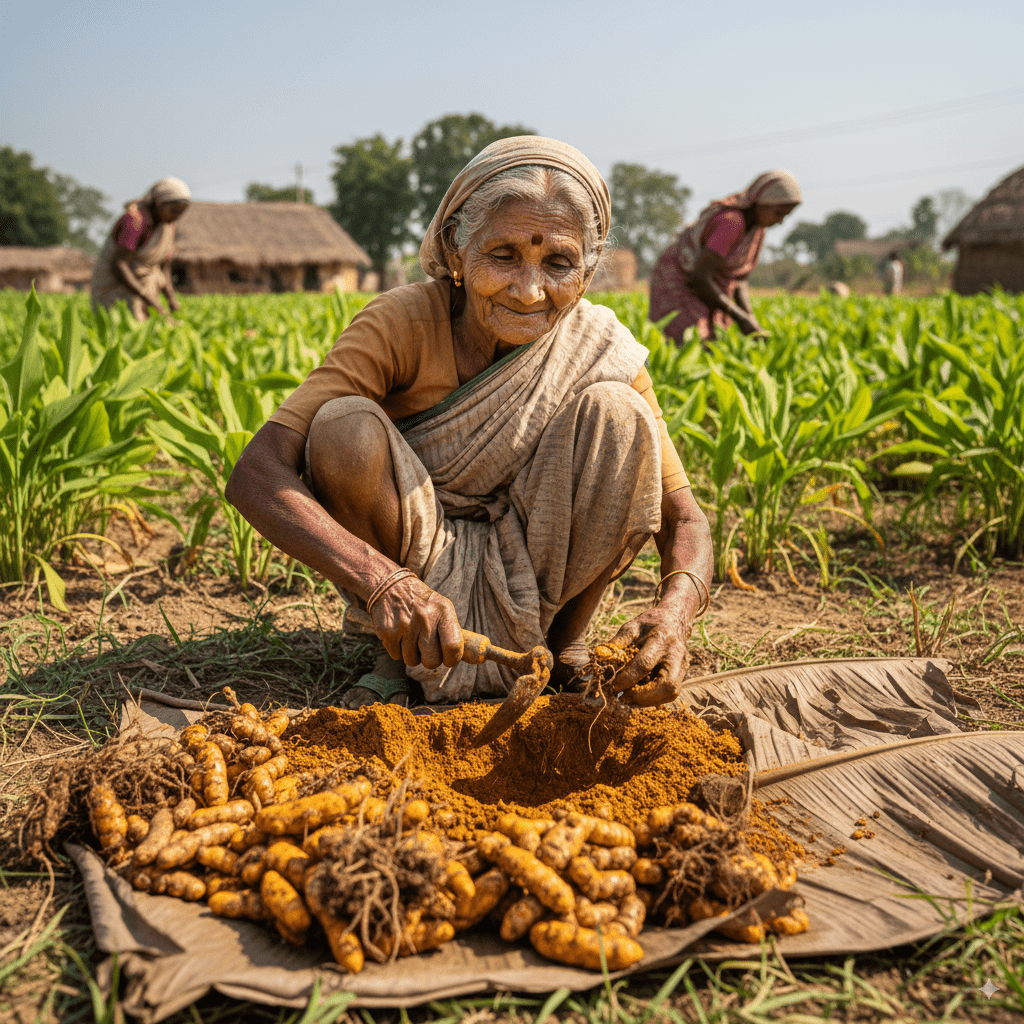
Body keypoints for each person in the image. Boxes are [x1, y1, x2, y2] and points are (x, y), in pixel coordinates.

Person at [227, 137, 713, 710]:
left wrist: (676, 610)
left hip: (542, 556)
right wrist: (383, 581)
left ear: (585, 274)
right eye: (502, 255)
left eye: (558, 263)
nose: (529, 290)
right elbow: (258, 472)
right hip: (414, 551)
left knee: (621, 416)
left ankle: (564, 646)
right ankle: (394, 654)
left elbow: (684, 516)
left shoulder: (601, 345)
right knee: (342, 427)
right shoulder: (402, 323)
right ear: (456, 249)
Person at [648, 171, 801, 345]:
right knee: (690, 341)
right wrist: (740, 317)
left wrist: (750, 318)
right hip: (684, 282)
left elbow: (738, 280)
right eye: (778, 213)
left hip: (706, 287)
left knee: (712, 342)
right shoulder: (731, 223)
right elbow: (700, 278)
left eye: (785, 215)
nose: (780, 221)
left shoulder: (756, 231)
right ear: (760, 204)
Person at [90, 177, 191, 321]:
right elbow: (119, 265)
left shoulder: (168, 228)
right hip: (117, 284)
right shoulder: (135, 221)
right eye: (173, 211)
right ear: (158, 204)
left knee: (149, 325)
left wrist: (170, 298)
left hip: (142, 288)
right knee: (119, 324)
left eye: (181, 213)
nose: (176, 217)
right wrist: (147, 297)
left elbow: (163, 267)